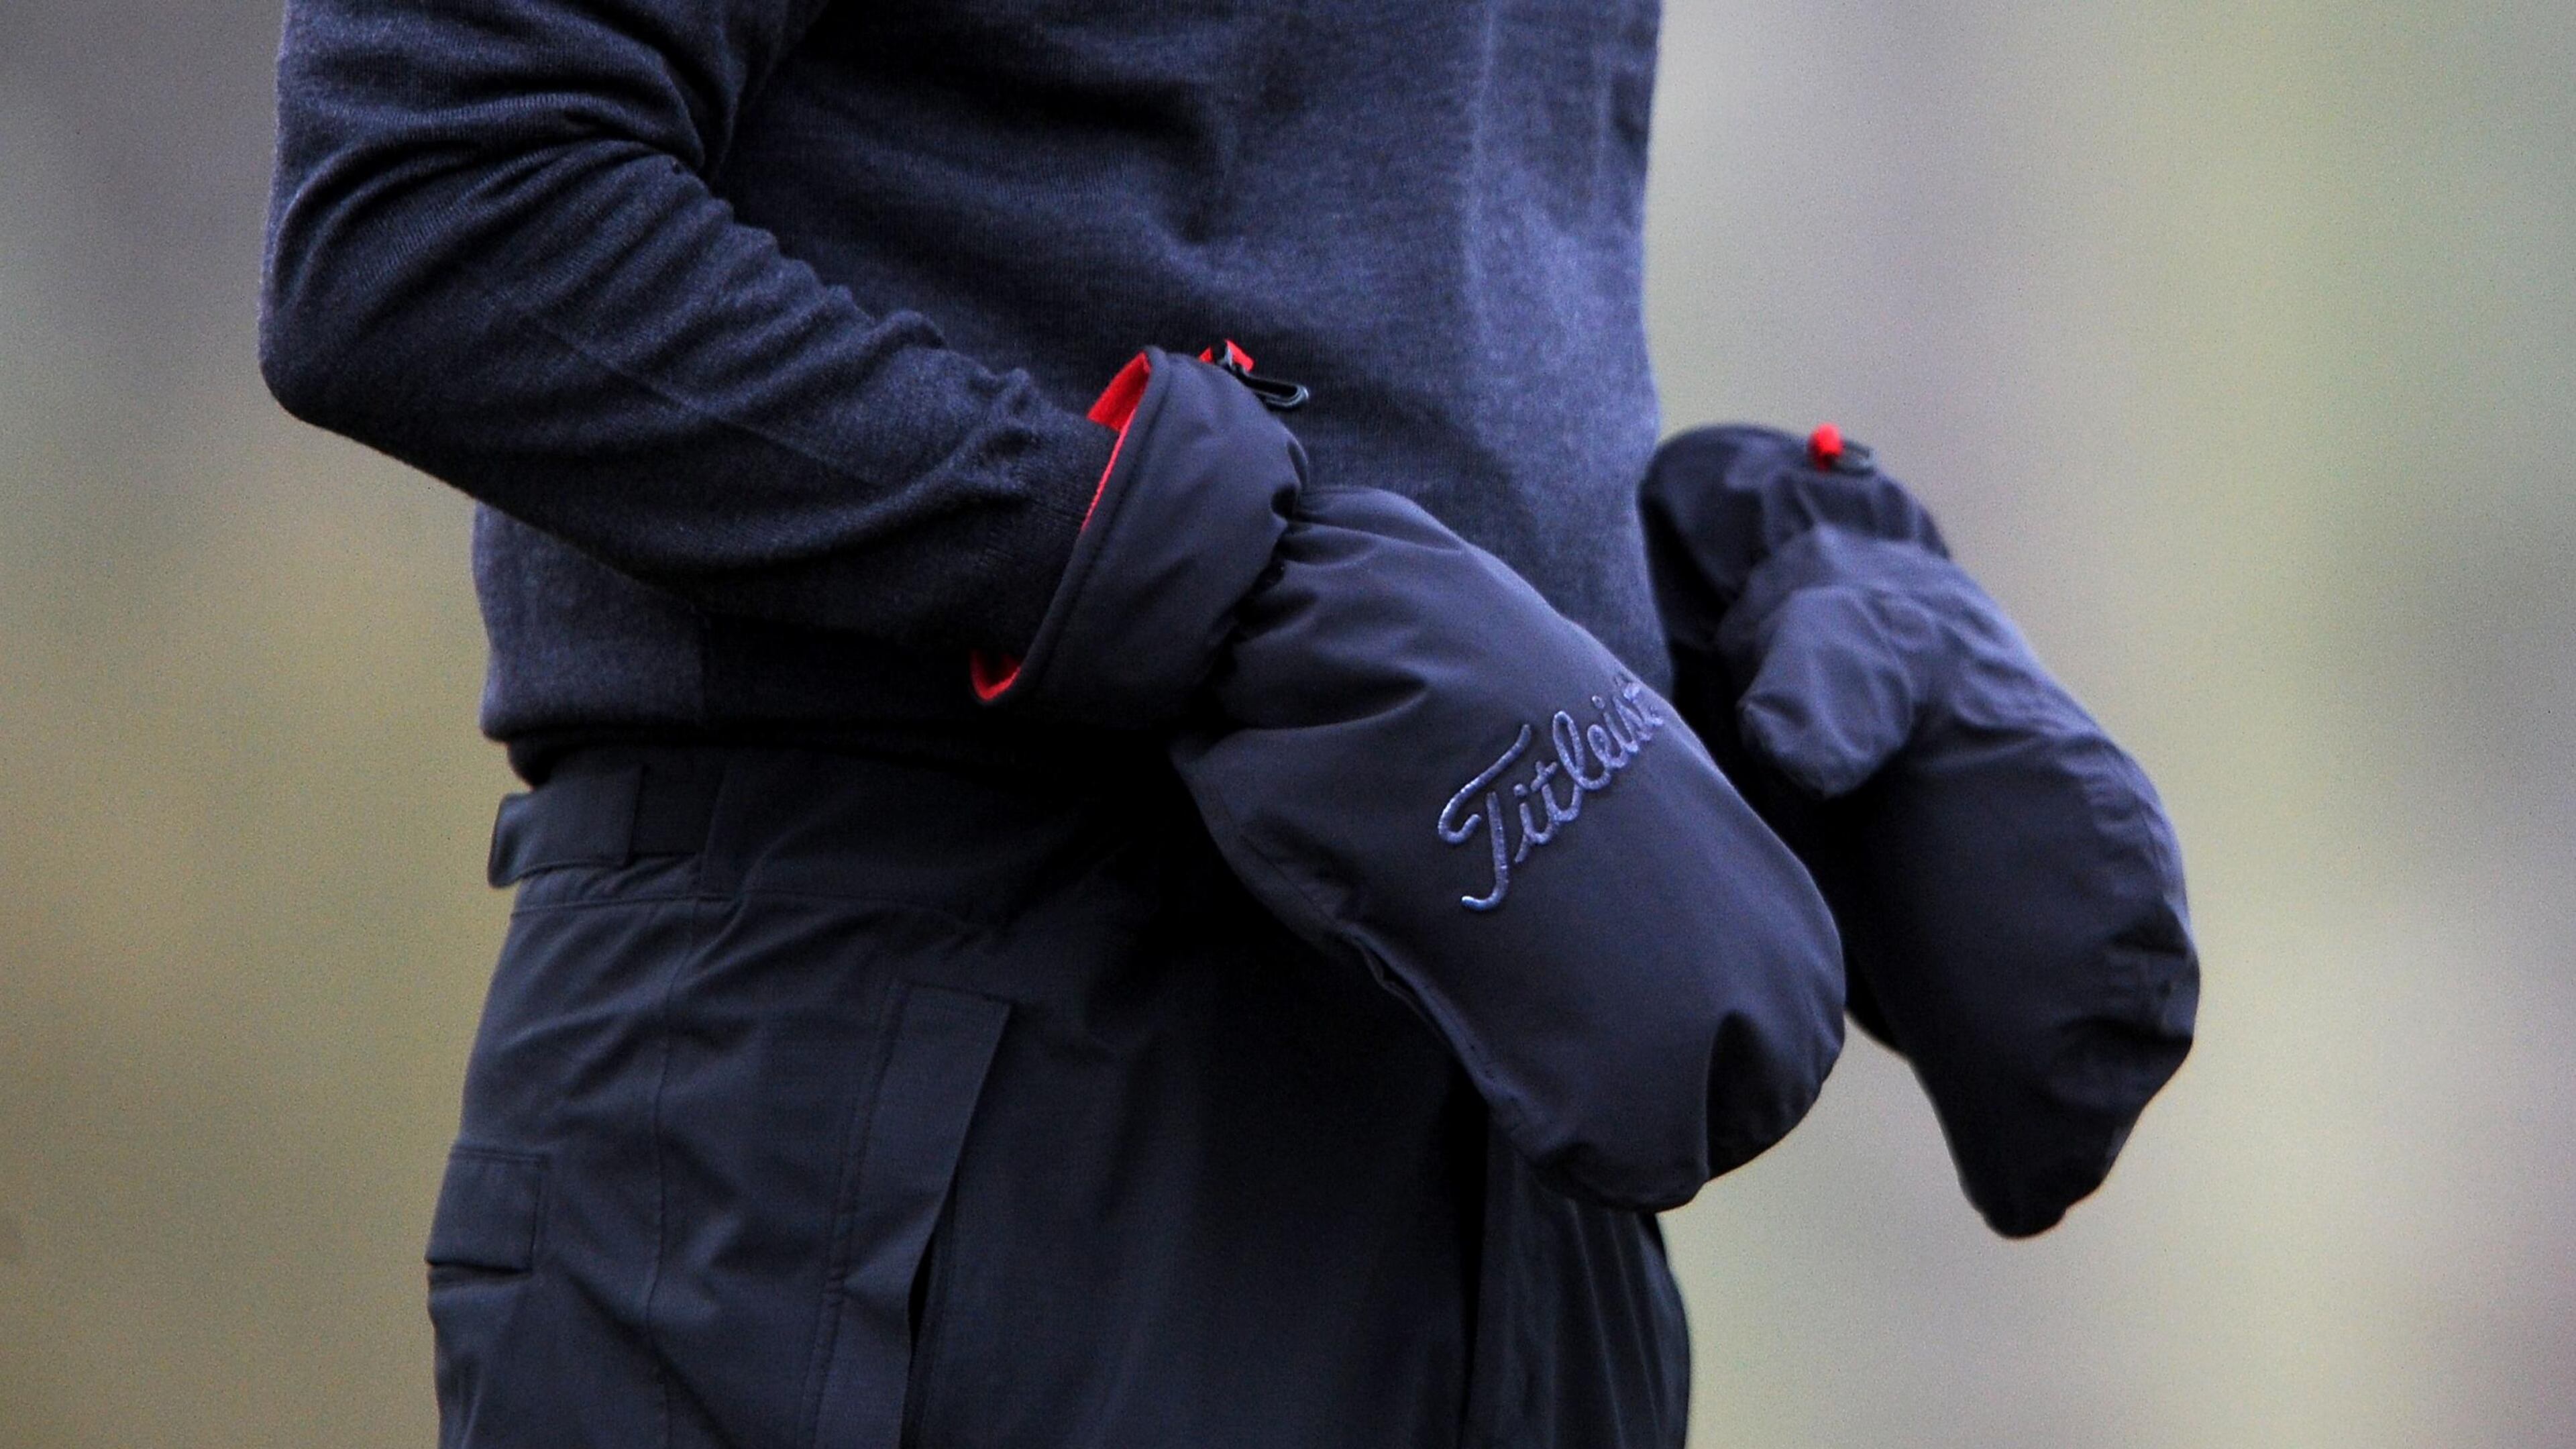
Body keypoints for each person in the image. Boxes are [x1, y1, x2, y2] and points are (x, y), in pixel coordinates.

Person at [261, 1, 2194, 1444]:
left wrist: (1684, 607)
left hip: (1497, 1124)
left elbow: (1322, 268)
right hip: (906, 1121)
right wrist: (1157, 558)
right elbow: (438, 215)